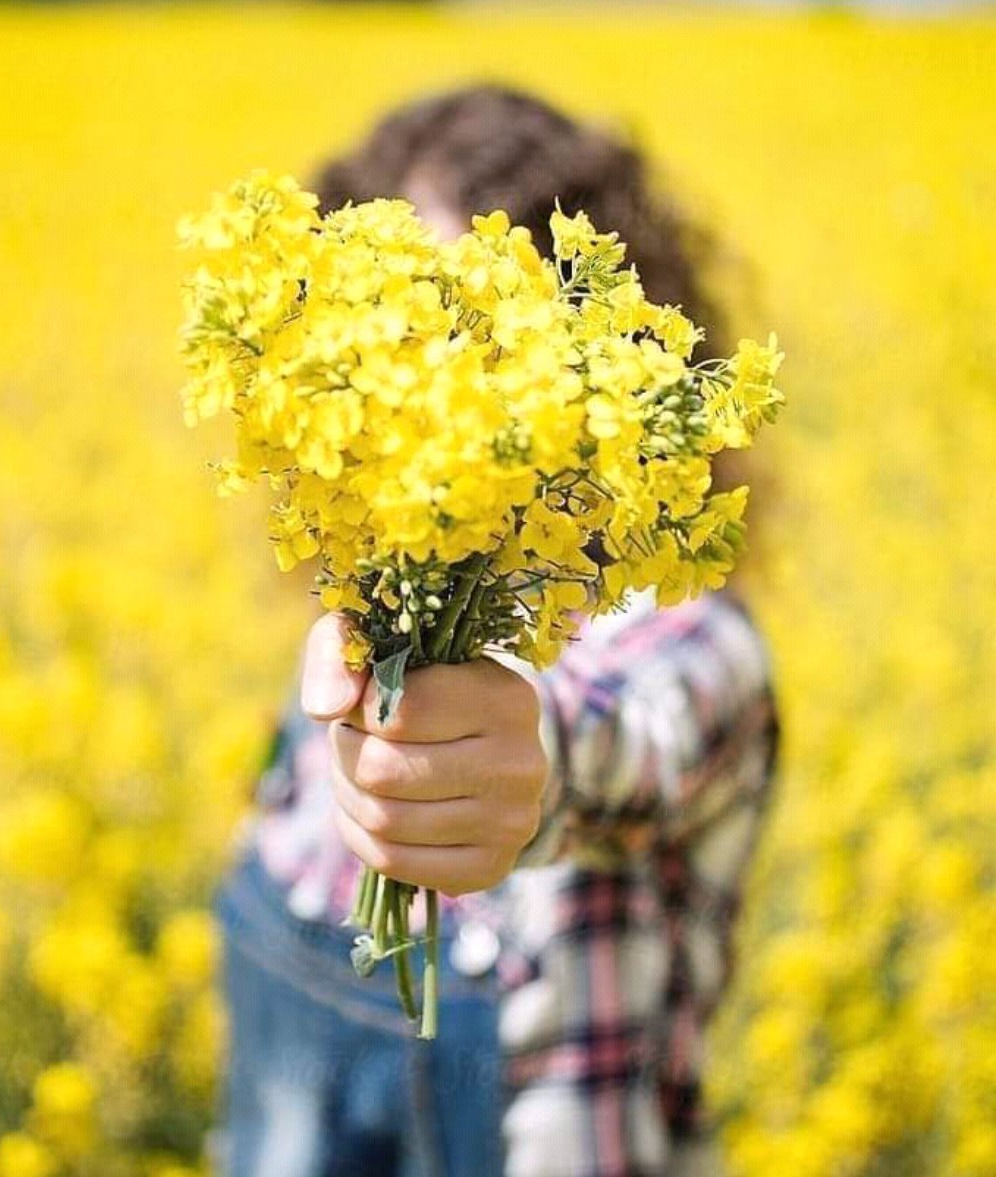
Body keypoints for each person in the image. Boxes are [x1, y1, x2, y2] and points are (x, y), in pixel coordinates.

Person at [214, 84, 781, 1177]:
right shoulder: (369, 596)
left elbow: (614, 737)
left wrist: (525, 765)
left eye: (480, 340)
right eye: (389, 342)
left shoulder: (691, 640)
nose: (427, 386)